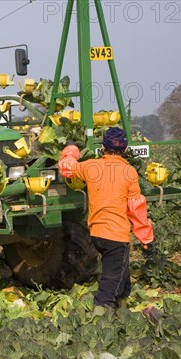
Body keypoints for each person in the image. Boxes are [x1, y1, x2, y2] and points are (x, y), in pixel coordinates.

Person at [58, 127, 155, 309]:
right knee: (110, 283)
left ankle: (122, 309)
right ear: (125, 150)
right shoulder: (129, 172)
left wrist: (71, 149)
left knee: (121, 275)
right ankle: (100, 319)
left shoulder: (90, 166)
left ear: (103, 147)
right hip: (116, 237)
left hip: (96, 235)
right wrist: (146, 239)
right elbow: (136, 209)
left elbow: (67, 168)